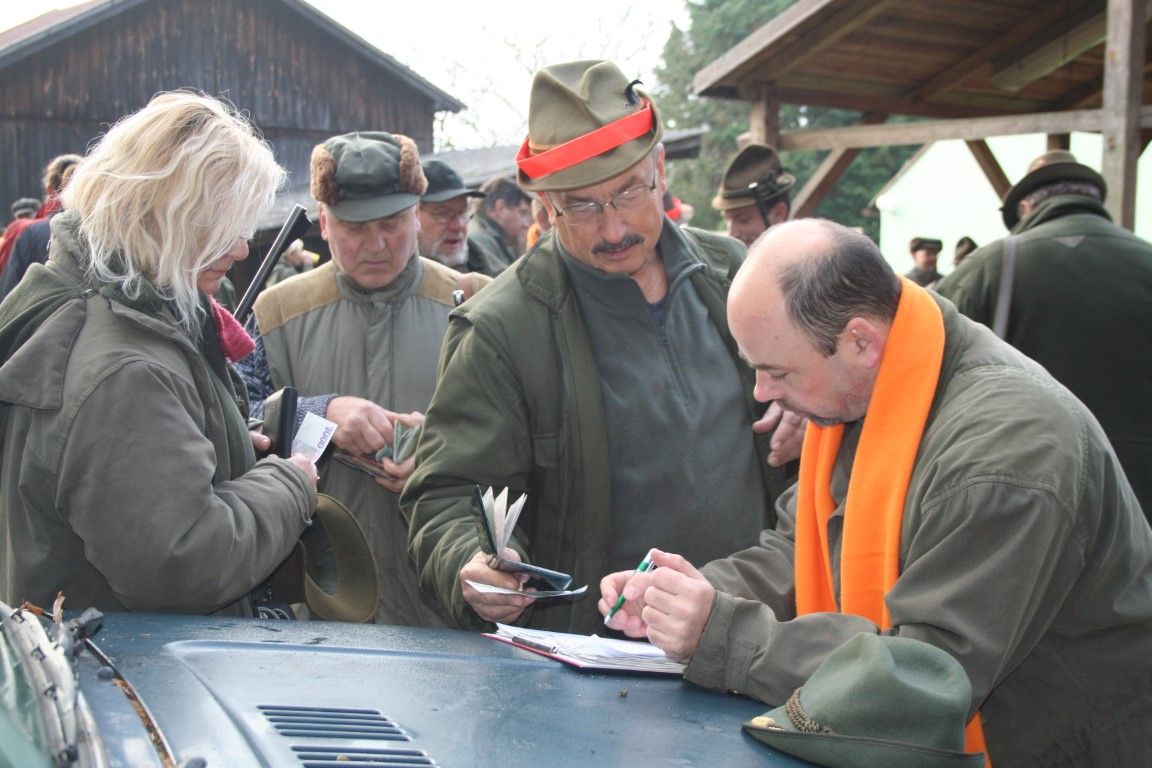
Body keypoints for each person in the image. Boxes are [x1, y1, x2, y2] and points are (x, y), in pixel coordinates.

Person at [600, 218, 1152, 767]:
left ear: (861, 340)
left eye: (777, 372)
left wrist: (723, 633)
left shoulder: (1009, 454)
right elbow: (799, 550)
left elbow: (923, 673)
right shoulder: (873, 385)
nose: (763, 393)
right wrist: (681, 596)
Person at [401, 59, 802, 635]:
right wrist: (469, 565)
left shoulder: (742, 277)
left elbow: (844, 395)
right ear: (545, 207)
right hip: (598, 661)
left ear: (660, 168)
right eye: (580, 206)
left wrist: (808, 405)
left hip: (753, 635)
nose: (612, 229)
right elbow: (444, 496)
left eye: (628, 191)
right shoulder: (502, 328)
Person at [0, 92, 318, 615]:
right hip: (132, 682)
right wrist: (290, 483)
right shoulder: (126, 369)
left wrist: (225, 445)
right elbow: (182, 563)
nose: (242, 248)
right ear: (168, 219)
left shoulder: (82, 301)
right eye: (226, 226)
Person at [236, 131, 490, 626]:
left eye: (392, 224)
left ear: (418, 214)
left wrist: (439, 458)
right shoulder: (276, 314)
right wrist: (320, 413)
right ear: (324, 225)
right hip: (324, 612)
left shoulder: (478, 304)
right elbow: (230, 426)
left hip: (452, 611)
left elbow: (529, 440)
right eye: (355, 228)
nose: (376, 245)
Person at [936, 149, 1152, 519]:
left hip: (1024, 489)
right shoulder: (1146, 260)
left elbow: (926, 364)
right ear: (1094, 201)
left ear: (1024, 209)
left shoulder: (990, 267)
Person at [0, 164, 79, 301]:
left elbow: (8, 293)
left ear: (51, 190)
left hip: (37, 313)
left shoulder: (27, 231)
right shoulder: (112, 236)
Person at [417, 158, 502, 276]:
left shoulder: (493, 275)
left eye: (463, 212)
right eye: (443, 214)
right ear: (413, 216)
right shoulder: (390, 278)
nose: (458, 226)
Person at [710, 143, 795, 247]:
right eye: (727, 220)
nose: (732, 234)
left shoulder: (809, 261)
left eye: (742, 220)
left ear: (779, 214)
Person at [467, 174, 532, 270]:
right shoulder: (481, 240)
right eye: (522, 213)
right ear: (501, 208)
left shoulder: (490, 237)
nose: (527, 224)